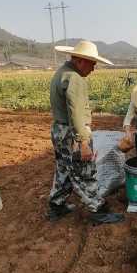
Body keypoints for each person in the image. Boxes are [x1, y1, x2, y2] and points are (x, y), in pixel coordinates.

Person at [47, 40, 123, 224]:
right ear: (81, 60)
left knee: (63, 169)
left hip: (59, 130)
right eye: (92, 64)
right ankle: (98, 211)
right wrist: (83, 143)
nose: (93, 69)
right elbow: (76, 112)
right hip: (72, 134)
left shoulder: (61, 73)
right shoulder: (75, 79)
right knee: (85, 171)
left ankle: (56, 206)